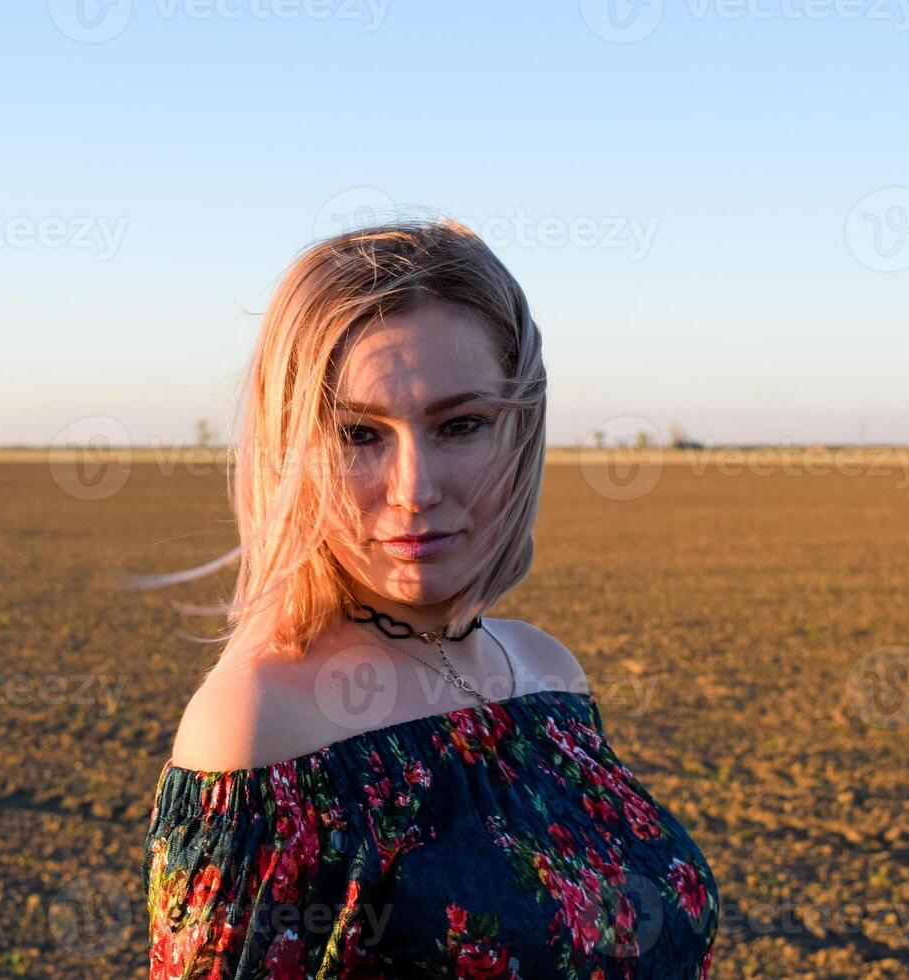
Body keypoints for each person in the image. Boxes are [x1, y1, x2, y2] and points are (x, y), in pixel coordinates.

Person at [141, 218, 718, 978]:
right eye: (358, 435)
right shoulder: (261, 729)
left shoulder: (546, 672)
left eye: (462, 425)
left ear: (519, 431)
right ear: (292, 450)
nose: (415, 489)